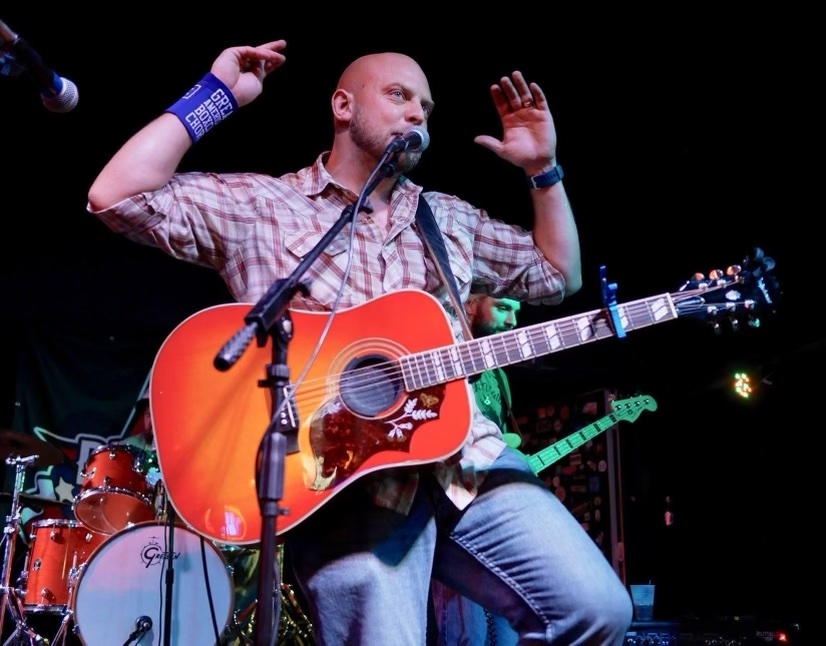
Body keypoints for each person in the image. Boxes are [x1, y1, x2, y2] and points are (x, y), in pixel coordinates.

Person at [86, 39, 633, 645]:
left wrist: (543, 171)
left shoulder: (446, 217)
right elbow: (118, 195)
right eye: (399, 96)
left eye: (425, 105)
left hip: (463, 460)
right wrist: (213, 99)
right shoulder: (268, 205)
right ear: (343, 106)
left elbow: (559, 275)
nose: (417, 113)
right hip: (337, 481)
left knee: (597, 606)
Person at [430, 293, 522, 646]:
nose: (512, 321)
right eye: (503, 308)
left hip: (493, 500)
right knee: (465, 631)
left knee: (509, 627)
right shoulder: (442, 350)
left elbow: (505, 433)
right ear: (470, 304)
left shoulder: (500, 375)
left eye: (516, 311)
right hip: (453, 498)